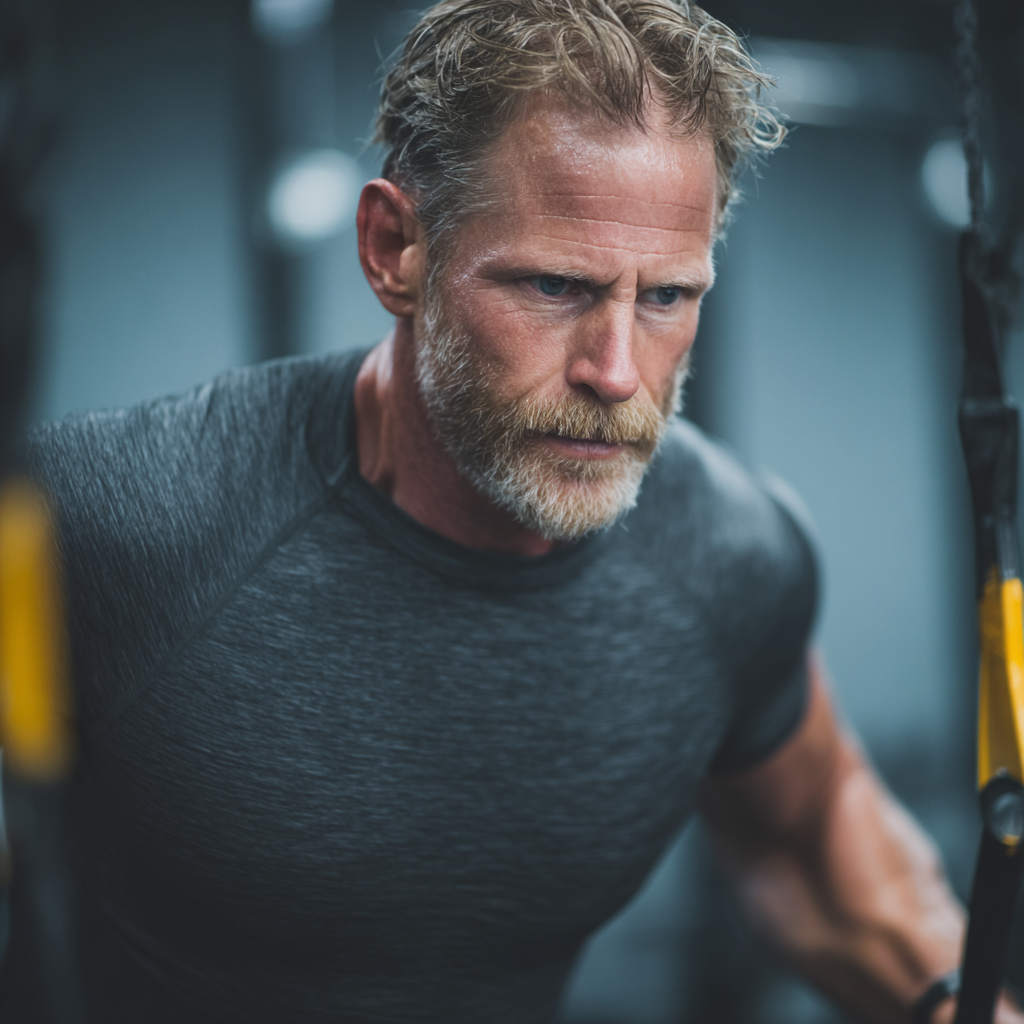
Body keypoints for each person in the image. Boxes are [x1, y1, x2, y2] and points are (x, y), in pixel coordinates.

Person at [1, 1, 1018, 1021]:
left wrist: (954, 1002)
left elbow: (816, 854)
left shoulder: (728, 554)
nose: (616, 372)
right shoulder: (112, 527)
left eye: (665, 296)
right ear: (395, 248)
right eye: (552, 285)